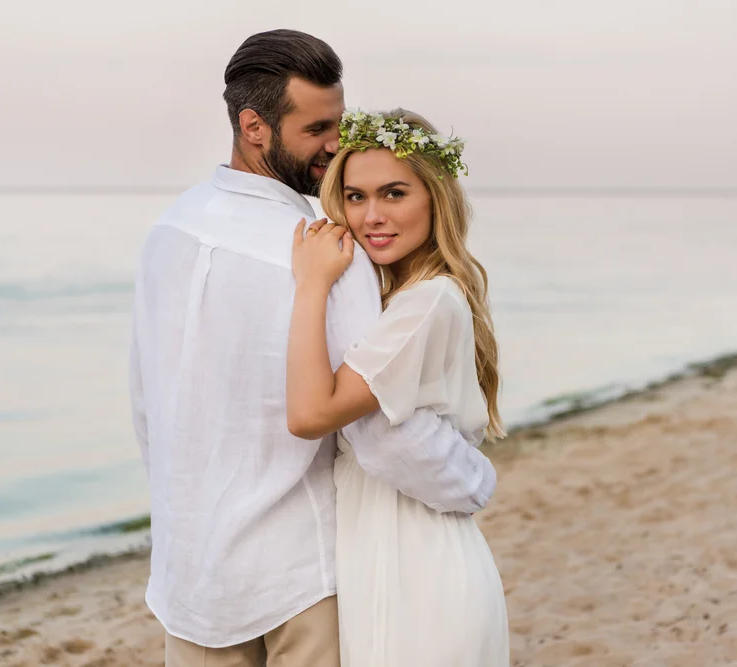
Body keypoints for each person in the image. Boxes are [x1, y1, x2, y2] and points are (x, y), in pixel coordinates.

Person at [127, 30, 497, 667]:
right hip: (299, 574)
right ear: (255, 127)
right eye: (318, 127)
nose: (336, 144)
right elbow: (380, 432)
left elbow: (147, 404)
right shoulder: (326, 253)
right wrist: (473, 478)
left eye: (339, 121)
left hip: (192, 571)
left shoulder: (169, 231)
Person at [287, 108, 510, 666]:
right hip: (387, 555)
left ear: (436, 197)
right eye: (356, 197)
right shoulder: (402, 298)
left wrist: (311, 285)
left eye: (393, 193)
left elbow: (312, 413)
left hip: (418, 567)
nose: (372, 216)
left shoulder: (427, 302)